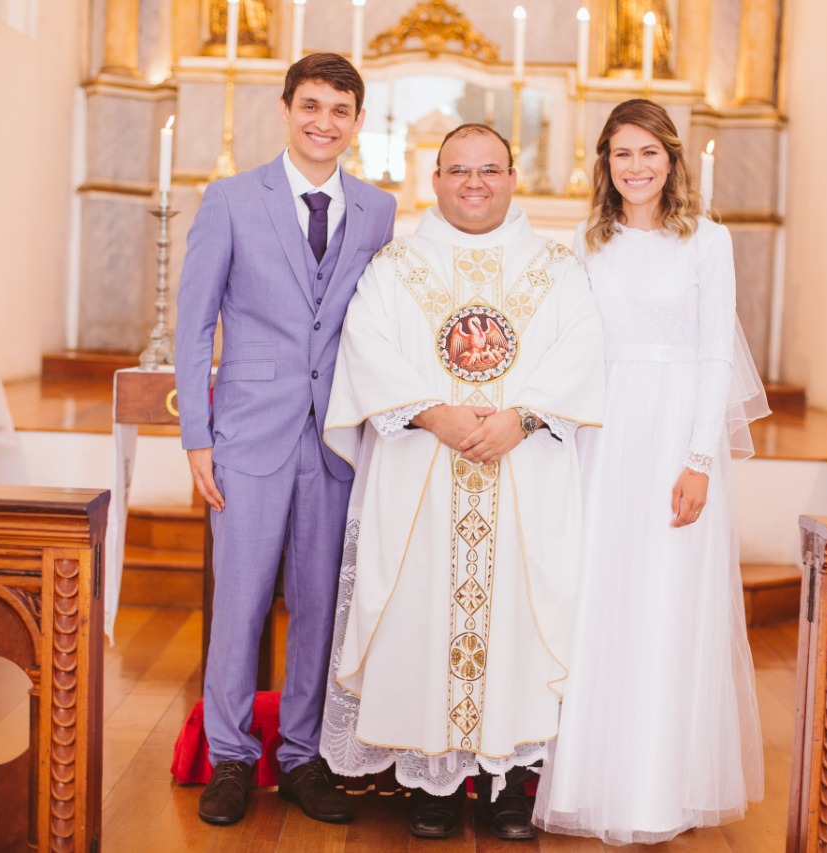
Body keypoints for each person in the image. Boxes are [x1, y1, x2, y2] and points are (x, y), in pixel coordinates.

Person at [318, 124, 605, 841]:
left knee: (516, 614)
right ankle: (434, 777)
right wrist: (434, 413)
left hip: (524, 469)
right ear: (435, 179)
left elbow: (582, 348)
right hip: (423, 467)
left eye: (488, 170)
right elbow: (367, 344)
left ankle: (509, 782)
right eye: (457, 171)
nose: (472, 182)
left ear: (513, 178)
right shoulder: (396, 264)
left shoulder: (556, 266)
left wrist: (525, 417)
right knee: (420, 610)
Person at [532, 99, 769, 845]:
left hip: (674, 434)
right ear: (604, 163)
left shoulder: (706, 241)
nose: (635, 167)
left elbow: (715, 354)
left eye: (648, 153)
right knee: (605, 598)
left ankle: (661, 788)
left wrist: (699, 459)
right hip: (607, 432)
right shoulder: (586, 240)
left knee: (668, 600)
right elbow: (571, 346)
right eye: (620, 154)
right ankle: (595, 781)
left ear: (672, 158)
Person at [174, 52, 397, 827]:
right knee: (238, 600)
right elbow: (195, 322)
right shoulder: (232, 199)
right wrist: (196, 436)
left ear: (358, 123)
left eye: (340, 110)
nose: (323, 122)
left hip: (338, 436)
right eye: (311, 106)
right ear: (285, 109)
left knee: (319, 604)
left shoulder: (379, 210)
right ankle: (232, 756)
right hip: (246, 431)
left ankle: (301, 754)